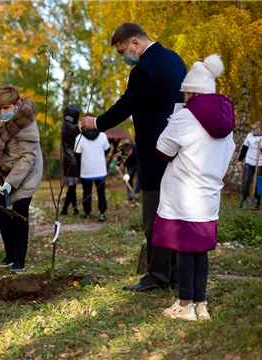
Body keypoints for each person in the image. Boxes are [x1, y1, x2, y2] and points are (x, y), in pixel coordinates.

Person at [80, 22, 187, 291]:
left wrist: (98, 122)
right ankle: (173, 273)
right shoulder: (175, 59)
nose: (123, 57)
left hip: (155, 150)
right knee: (174, 213)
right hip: (179, 147)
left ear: (135, 44)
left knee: (154, 217)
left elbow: (126, 105)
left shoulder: (144, 70)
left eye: (122, 51)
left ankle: (157, 277)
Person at [153, 54, 235, 320]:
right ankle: (201, 304)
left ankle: (185, 305)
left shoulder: (186, 117)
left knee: (185, 249)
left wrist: (171, 126)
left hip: (184, 192)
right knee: (200, 249)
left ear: (191, 93)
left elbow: (163, 151)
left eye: (185, 94)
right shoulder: (228, 121)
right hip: (209, 193)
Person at [0, 85, 43, 274]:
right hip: (3, 169)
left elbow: (28, 157)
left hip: (25, 171)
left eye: (6, 108)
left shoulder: (26, 122)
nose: (1, 113)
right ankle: (9, 254)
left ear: (16, 105)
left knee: (19, 211)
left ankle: (19, 260)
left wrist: (12, 182)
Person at [74, 127, 110, 221]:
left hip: (86, 170)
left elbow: (77, 154)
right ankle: (102, 213)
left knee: (87, 192)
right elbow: (107, 150)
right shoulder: (103, 136)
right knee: (101, 192)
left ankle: (87, 213)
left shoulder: (79, 137)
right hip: (100, 169)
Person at [60, 105, 82, 216]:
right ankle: (65, 209)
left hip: (67, 158)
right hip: (73, 160)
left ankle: (75, 209)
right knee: (72, 187)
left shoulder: (65, 125)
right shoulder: (72, 128)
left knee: (72, 187)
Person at [236, 120, 262, 209]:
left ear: (259, 129)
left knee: (258, 184)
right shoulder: (249, 136)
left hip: (260, 163)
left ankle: (256, 203)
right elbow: (244, 148)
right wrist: (240, 160)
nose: (252, 131)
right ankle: (244, 202)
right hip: (249, 162)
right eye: (251, 129)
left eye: (254, 129)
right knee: (245, 183)